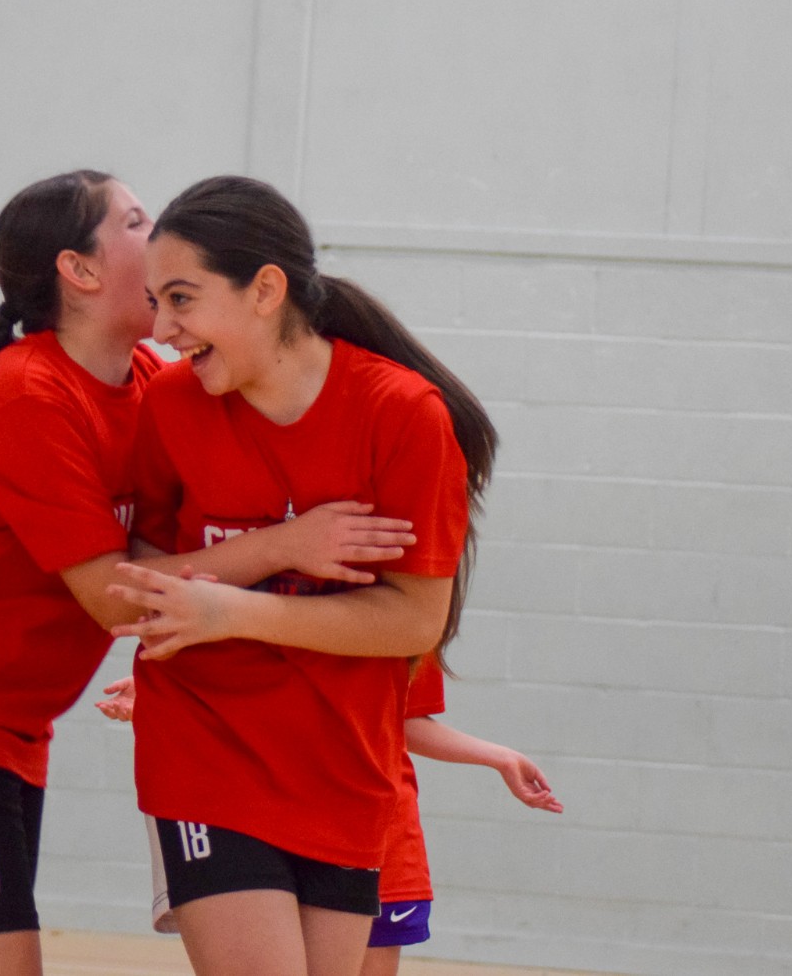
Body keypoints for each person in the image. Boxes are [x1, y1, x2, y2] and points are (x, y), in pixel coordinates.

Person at [0, 170, 416, 976]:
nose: (159, 230)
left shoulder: (148, 385)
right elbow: (116, 596)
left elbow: (158, 565)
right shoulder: (27, 394)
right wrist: (285, 545)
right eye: (136, 221)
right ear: (80, 270)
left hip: (5, 736)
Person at [105, 175, 499, 976]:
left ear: (266, 290)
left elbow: (413, 621)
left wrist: (233, 612)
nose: (162, 329)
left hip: (345, 768)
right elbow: (137, 580)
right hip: (204, 753)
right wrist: (280, 547)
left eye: (180, 300)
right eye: (154, 303)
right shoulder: (171, 406)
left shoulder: (403, 414)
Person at [94, 662, 563, 975]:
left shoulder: (412, 608)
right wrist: (172, 690)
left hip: (377, 835)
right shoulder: (280, 582)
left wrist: (499, 757)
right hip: (273, 820)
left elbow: (405, 717)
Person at [362, 655, 561, 976]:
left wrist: (501, 758)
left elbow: (403, 719)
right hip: (300, 829)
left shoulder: (419, 632)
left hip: (385, 839)